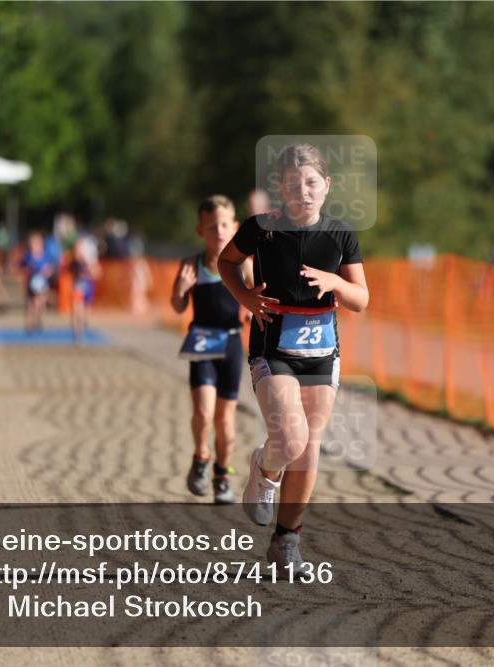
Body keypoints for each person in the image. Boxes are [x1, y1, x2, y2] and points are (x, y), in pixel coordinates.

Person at [217, 144, 368, 567]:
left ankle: (286, 542)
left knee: (310, 448)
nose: (303, 191)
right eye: (292, 184)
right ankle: (264, 469)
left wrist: (334, 282)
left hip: (322, 353)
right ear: (280, 190)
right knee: (291, 438)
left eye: (311, 183)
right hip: (273, 345)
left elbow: (361, 298)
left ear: (327, 187)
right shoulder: (261, 229)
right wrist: (245, 297)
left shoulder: (341, 234)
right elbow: (226, 262)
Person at [171, 196, 254, 505]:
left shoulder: (245, 265)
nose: (218, 231)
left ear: (233, 227)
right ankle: (201, 456)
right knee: (203, 412)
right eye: (211, 227)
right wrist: (180, 290)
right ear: (200, 230)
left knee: (225, 420)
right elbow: (178, 306)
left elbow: (254, 303)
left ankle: (222, 475)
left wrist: (251, 308)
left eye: (223, 225)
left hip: (232, 343)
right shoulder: (190, 265)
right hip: (202, 341)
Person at [20, 231, 56, 333]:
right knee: (32, 303)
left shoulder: (46, 255)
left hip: (43, 283)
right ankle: (29, 323)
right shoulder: (28, 256)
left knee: (41, 303)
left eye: (35, 242)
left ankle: (37, 319)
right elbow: (22, 266)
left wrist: (47, 272)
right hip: (31, 283)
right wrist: (27, 270)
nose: (33, 244)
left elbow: (52, 267)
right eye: (32, 242)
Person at [70, 235, 101, 342]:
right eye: (77, 247)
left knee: (85, 312)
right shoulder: (73, 260)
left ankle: (82, 326)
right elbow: (70, 271)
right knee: (76, 309)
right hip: (78, 286)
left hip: (88, 285)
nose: (78, 249)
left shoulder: (91, 260)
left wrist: (89, 269)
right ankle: (77, 333)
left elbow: (97, 273)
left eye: (81, 247)